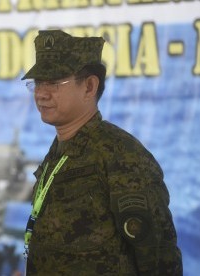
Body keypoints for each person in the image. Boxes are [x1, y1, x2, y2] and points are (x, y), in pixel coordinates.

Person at [21, 30, 182, 275]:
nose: (41, 93)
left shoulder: (122, 156)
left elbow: (158, 258)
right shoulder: (59, 151)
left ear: (89, 86)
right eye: (38, 83)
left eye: (54, 83)